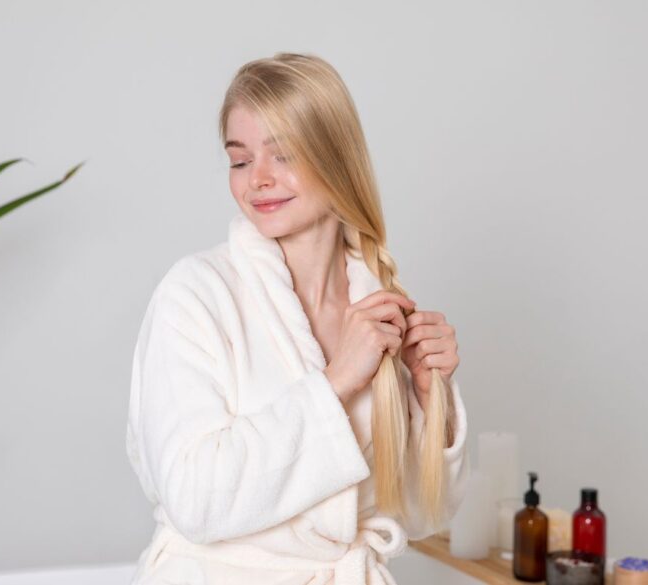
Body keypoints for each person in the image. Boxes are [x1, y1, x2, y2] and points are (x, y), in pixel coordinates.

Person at [125, 52, 470, 585]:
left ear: (337, 159)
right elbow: (194, 497)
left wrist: (432, 401)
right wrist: (335, 383)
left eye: (282, 155)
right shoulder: (195, 294)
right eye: (240, 160)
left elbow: (423, 517)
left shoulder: (377, 310)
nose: (257, 179)